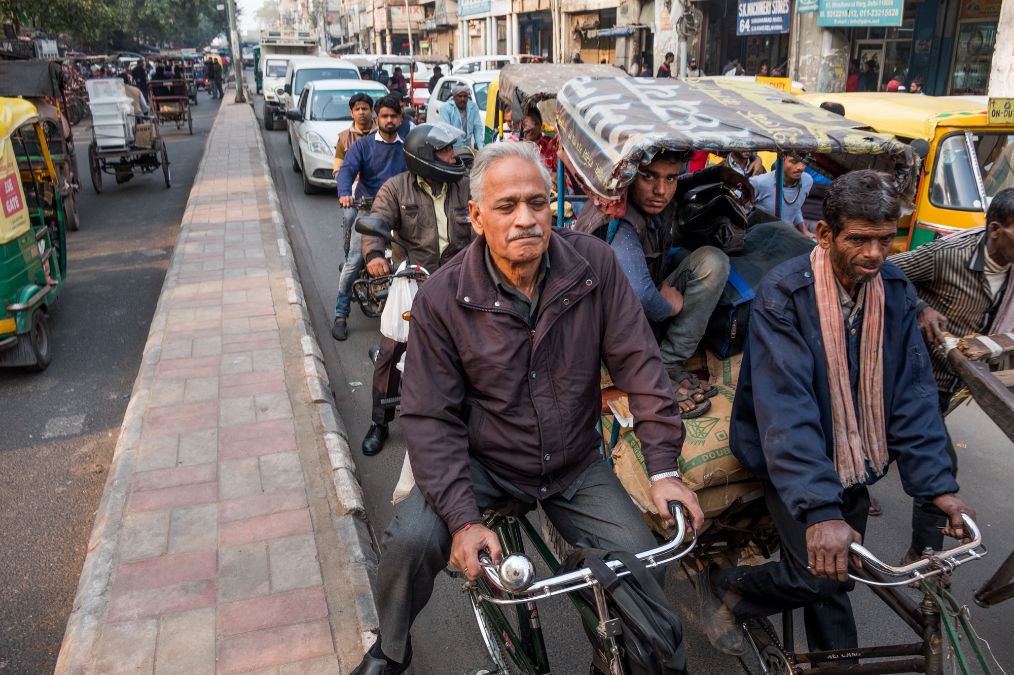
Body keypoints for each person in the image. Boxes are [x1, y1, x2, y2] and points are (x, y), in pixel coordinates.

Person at [348, 140, 704, 675]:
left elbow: (642, 367)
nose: (526, 219)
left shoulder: (595, 266)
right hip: (484, 459)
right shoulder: (444, 297)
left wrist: (664, 469)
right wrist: (464, 521)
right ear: (476, 216)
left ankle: (608, 661)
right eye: (507, 206)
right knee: (412, 541)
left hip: (573, 463)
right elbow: (429, 418)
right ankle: (391, 649)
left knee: (638, 565)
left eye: (537, 203)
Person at [702, 170, 975, 657]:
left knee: (835, 574)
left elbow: (912, 395)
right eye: (860, 240)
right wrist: (821, 510)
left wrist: (938, 487)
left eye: (885, 240)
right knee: (819, 572)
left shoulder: (894, 290)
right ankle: (730, 584)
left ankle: (839, 664)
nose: (874, 254)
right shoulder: (784, 296)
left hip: (856, 454)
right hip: (790, 455)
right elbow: (786, 409)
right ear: (826, 235)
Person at [888, 187, 1014, 561]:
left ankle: (855, 488)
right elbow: (889, 273)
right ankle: (925, 554)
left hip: (956, 379)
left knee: (892, 444)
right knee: (939, 462)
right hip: (915, 376)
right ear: (994, 229)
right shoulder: (948, 254)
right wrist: (921, 307)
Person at [574, 154, 752, 417]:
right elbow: (641, 296)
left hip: (642, 308)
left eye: (669, 179)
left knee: (713, 261)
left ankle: (667, 362)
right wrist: (667, 306)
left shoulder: (661, 197)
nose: (661, 190)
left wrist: (718, 174)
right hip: (605, 324)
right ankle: (646, 378)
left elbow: (683, 180)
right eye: (648, 176)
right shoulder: (617, 218)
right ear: (629, 175)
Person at [358, 124, 475, 456]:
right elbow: (376, 222)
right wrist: (375, 255)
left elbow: (486, 220)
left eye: (453, 149)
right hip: (414, 279)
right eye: (445, 151)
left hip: (459, 278)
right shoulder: (396, 188)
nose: (453, 156)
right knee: (391, 349)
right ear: (425, 158)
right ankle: (379, 421)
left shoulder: (464, 185)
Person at [332, 95, 410, 341]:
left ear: (400, 118)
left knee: (410, 262)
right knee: (355, 261)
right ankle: (341, 314)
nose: (389, 120)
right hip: (368, 210)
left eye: (393, 116)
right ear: (378, 118)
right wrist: (345, 193)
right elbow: (346, 169)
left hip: (400, 214)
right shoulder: (363, 147)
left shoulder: (407, 146)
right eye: (384, 116)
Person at [749, 151, 815, 237]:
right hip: (759, 237)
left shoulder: (807, 181)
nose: (800, 167)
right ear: (781, 160)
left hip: (786, 237)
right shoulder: (759, 182)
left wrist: (804, 231)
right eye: (794, 161)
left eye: (805, 162)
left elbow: (795, 207)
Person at [438, 83, 484, 151]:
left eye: (465, 96)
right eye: (460, 96)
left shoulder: (473, 107)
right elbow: (446, 131)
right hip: (452, 149)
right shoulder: (446, 108)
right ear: (454, 97)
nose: (463, 99)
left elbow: (478, 128)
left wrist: (481, 149)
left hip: (468, 148)